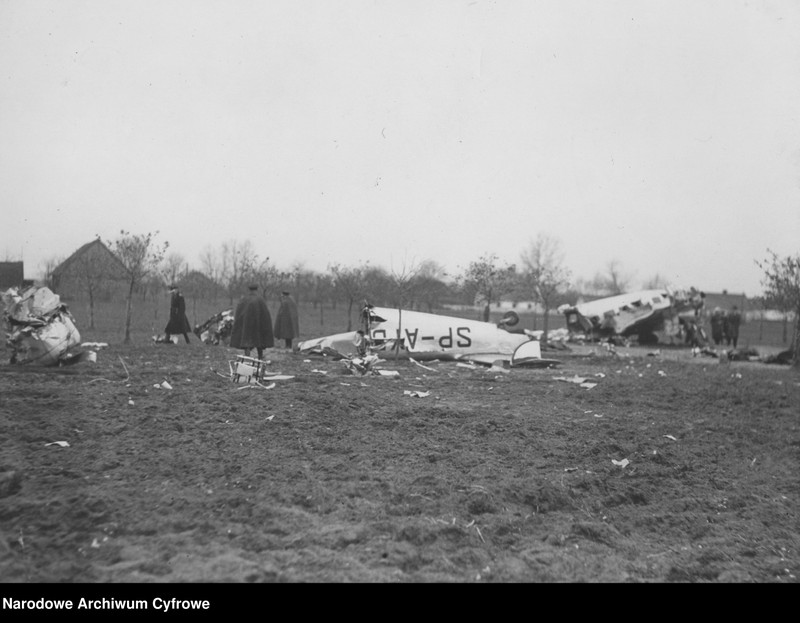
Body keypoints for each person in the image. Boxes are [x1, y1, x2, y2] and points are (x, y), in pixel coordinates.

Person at [230, 284, 274, 360]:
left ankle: (247, 357)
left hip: (246, 325)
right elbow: (265, 315)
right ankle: (260, 356)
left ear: (249, 290)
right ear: (256, 290)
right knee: (259, 341)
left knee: (246, 341)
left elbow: (239, 313)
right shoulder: (260, 300)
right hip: (257, 325)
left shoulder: (244, 299)